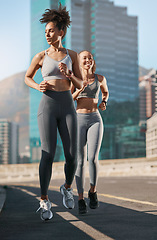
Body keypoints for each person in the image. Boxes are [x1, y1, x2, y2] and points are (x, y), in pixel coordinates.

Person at [25, 5, 83, 221]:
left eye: (51, 30)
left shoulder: (72, 55)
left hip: (67, 105)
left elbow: (80, 84)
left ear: (61, 32)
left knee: (71, 155)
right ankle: (44, 200)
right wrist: (37, 86)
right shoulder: (40, 56)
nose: (47, 34)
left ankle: (67, 188)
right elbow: (27, 77)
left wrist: (69, 74)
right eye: (45, 31)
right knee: (48, 154)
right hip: (47, 106)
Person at [72, 50, 109, 214]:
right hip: (78, 119)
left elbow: (105, 92)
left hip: (95, 119)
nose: (88, 60)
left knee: (93, 158)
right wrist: (80, 90)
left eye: (90, 57)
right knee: (80, 161)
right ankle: (80, 198)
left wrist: (104, 102)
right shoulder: (74, 78)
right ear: (79, 62)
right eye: (84, 58)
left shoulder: (100, 78)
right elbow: (70, 97)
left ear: (93, 61)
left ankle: (92, 192)